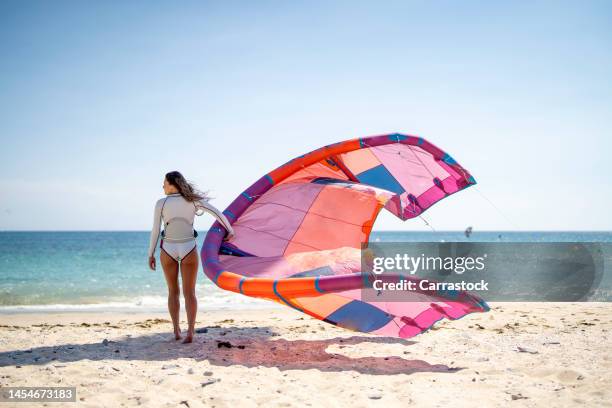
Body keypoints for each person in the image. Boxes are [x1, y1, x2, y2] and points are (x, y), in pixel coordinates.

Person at [148, 171, 235, 343]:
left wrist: (150, 253)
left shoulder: (161, 203)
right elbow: (217, 213)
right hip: (188, 247)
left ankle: (176, 331)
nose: (163, 186)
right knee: (190, 293)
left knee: (173, 292)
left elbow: (156, 230)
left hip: (168, 249)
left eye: (164, 182)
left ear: (172, 184)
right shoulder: (192, 200)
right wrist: (230, 231)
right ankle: (190, 332)